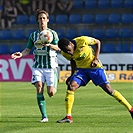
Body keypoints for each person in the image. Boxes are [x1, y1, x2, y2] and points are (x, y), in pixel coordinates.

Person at [57, 36, 133, 123]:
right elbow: (73, 60)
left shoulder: (83, 41)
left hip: (95, 69)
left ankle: (130, 109)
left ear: (71, 44)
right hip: (82, 71)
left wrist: (96, 59)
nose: (69, 52)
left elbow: (98, 42)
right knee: (71, 86)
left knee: (109, 89)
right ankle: (68, 116)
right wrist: (71, 75)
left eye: (69, 50)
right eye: (66, 51)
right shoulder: (65, 53)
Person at [11, 9, 60, 122]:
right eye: (40, 18)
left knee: (51, 93)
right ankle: (44, 116)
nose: (42, 20)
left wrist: (49, 45)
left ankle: (55, 79)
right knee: (39, 87)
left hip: (50, 66)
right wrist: (20, 54)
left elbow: (58, 48)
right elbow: (27, 50)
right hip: (38, 66)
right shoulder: (33, 35)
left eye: (44, 18)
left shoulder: (52, 34)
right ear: (37, 21)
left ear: (47, 20)